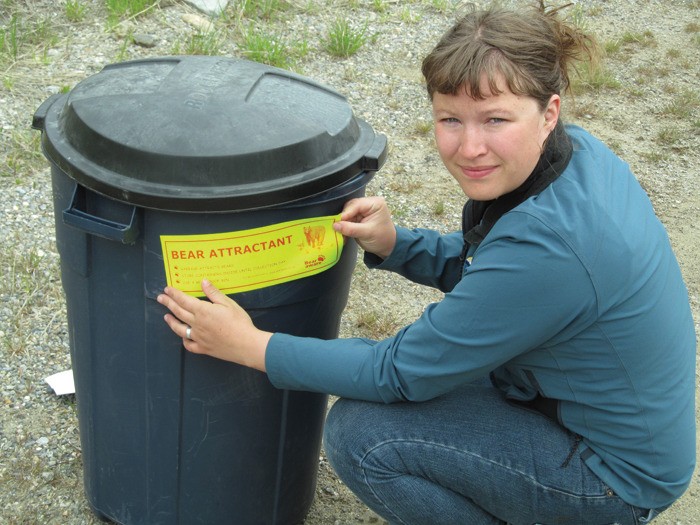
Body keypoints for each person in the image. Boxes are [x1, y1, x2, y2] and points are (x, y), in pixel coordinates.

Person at [157, 2, 696, 524]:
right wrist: (398, 245)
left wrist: (252, 347)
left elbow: (396, 373)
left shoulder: (554, 246)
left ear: (548, 112)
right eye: (450, 119)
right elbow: (496, 277)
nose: (469, 147)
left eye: (495, 119)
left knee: (365, 436)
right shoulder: (572, 159)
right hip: (561, 398)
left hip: (612, 479)